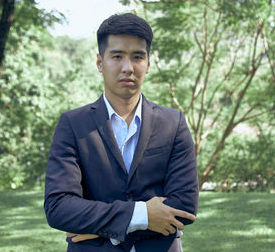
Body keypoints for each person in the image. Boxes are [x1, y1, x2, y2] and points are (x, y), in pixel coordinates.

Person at [44, 13, 199, 252]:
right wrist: (143, 215)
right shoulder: (73, 124)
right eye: (117, 56)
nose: (128, 67)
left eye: (137, 57)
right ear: (99, 62)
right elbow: (59, 208)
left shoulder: (173, 122)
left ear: (148, 63)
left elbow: (185, 206)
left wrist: (99, 225)